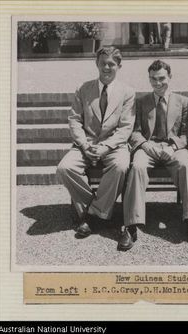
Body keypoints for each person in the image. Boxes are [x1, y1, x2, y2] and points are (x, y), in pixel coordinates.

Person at [119, 60, 188, 251]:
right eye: (153, 79)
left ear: (170, 77)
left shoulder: (183, 102)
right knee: (138, 167)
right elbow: (135, 131)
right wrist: (146, 144)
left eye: (161, 79)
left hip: (174, 148)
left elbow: (187, 133)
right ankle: (131, 226)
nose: (157, 83)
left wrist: (173, 147)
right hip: (148, 147)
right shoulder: (141, 102)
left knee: (186, 165)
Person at [57, 47, 135, 239]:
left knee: (120, 165)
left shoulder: (128, 92)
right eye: (103, 63)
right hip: (86, 143)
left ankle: (91, 216)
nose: (106, 67)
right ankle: (98, 209)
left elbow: (126, 127)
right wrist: (84, 145)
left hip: (114, 145)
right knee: (64, 168)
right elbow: (74, 119)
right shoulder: (83, 89)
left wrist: (105, 147)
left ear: (119, 66)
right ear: (96, 64)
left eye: (111, 64)